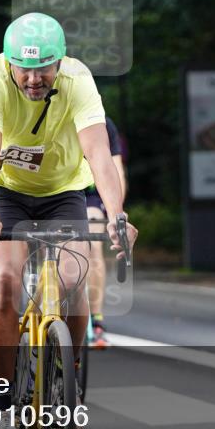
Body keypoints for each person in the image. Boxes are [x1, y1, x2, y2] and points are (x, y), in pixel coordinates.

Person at [0, 12, 138, 429]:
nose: (33, 77)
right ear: (9, 62)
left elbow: (99, 153)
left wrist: (117, 213)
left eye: (44, 66)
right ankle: (2, 404)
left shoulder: (79, 81)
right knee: (4, 282)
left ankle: (69, 372)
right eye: (24, 67)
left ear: (60, 61)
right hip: (8, 191)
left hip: (64, 190)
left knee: (72, 277)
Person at [84, 116, 127, 349]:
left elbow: (116, 171)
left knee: (93, 244)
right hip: (55, 191)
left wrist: (115, 213)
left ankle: (96, 319)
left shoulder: (103, 123)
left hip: (90, 194)